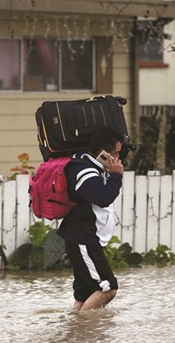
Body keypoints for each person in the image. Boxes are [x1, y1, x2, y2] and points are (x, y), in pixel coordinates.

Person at [58, 127, 124, 311]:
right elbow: (102, 197)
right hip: (83, 239)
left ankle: (79, 334)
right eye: (116, 153)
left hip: (85, 239)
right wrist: (116, 176)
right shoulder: (82, 169)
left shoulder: (96, 168)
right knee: (109, 288)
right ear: (104, 153)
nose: (119, 158)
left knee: (86, 293)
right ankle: (82, 326)